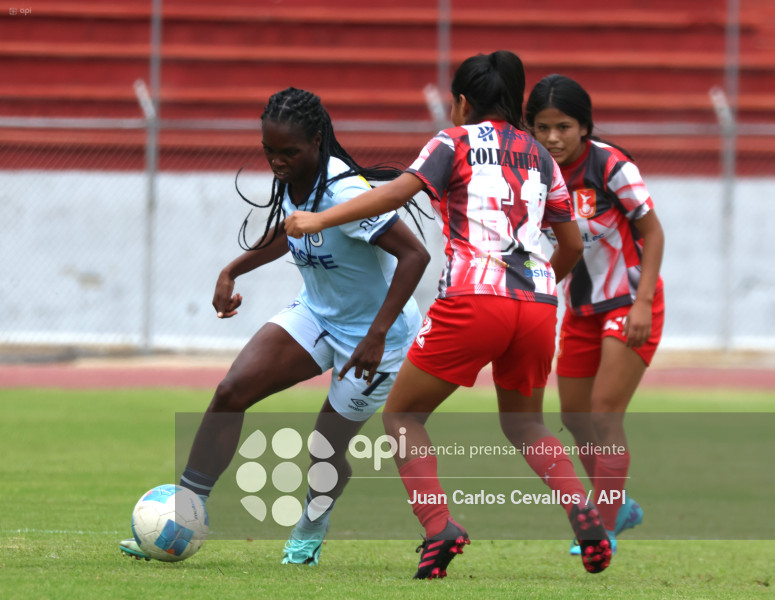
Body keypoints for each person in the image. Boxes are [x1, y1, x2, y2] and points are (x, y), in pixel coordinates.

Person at [285, 51, 613, 579]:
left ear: (462, 101)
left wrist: (318, 217)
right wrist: (532, 286)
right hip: (537, 304)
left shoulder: (452, 141)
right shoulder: (543, 156)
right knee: (526, 423)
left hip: (472, 298)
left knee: (402, 415)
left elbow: (394, 193)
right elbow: (570, 246)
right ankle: (583, 509)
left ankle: (439, 527)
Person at [119, 87, 430, 565]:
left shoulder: (345, 190)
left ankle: (310, 527)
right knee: (231, 391)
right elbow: (290, 232)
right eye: (270, 151)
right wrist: (232, 270)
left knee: (325, 448)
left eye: (289, 152)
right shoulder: (294, 179)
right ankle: (183, 512)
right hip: (316, 313)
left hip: (373, 337)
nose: (278, 162)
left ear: (317, 141)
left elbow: (415, 255)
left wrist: (376, 335)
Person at [525, 74, 665, 555]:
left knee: (605, 414)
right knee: (574, 416)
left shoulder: (610, 165)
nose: (552, 138)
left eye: (563, 126)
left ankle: (601, 527)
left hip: (629, 302)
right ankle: (619, 505)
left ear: (584, 126)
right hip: (581, 309)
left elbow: (654, 233)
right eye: (542, 127)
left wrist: (643, 303)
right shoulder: (535, 174)